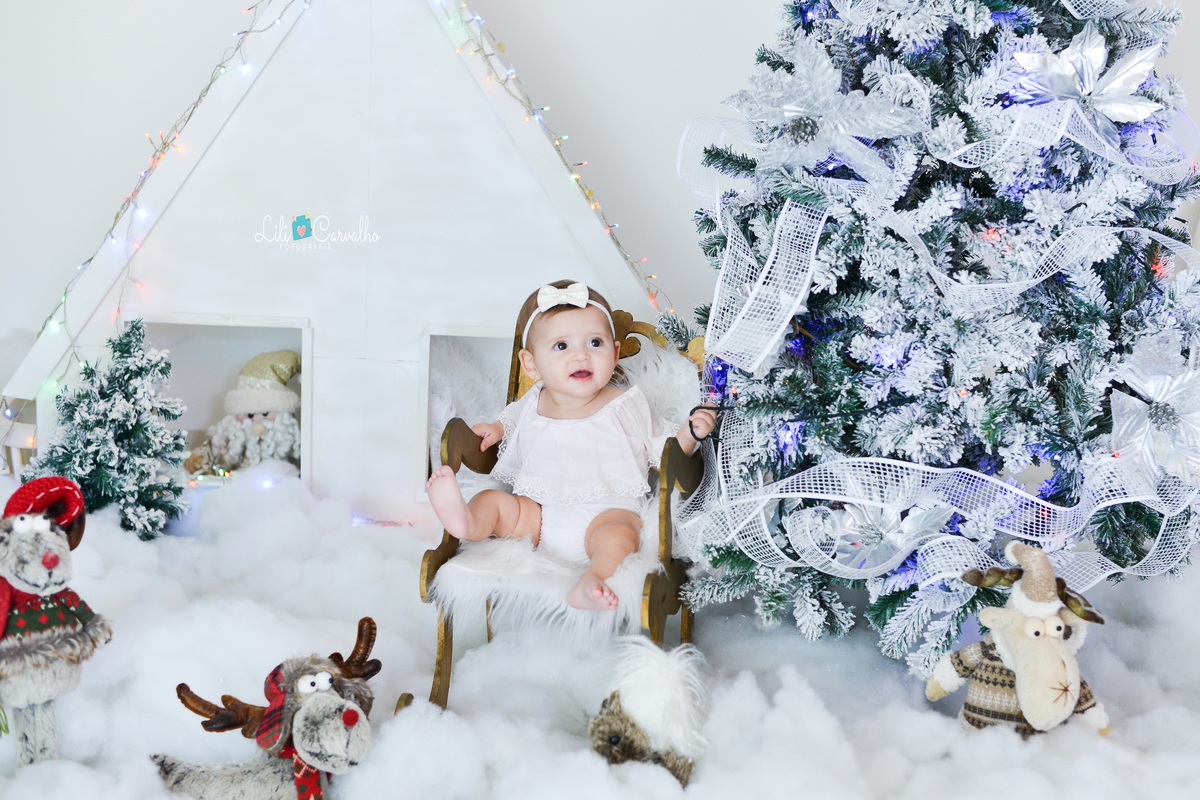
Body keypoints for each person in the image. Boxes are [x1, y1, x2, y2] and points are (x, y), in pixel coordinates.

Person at [426, 280, 716, 611]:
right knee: (493, 501)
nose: (581, 355)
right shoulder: (532, 401)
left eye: (595, 342)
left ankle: (592, 579)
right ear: (531, 364)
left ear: (615, 352)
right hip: (536, 513)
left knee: (620, 536)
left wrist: (690, 433)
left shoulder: (627, 404)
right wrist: (492, 429)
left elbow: (662, 448)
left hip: (605, 512)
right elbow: (509, 423)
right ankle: (466, 521)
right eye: (561, 346)